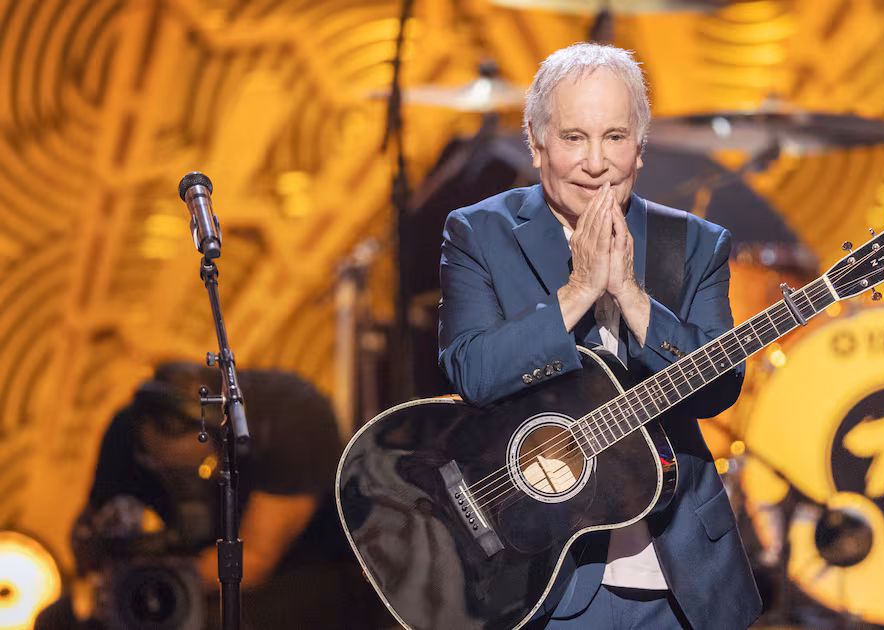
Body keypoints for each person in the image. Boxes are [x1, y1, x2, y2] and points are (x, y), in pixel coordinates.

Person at [438, 43, 762, 629]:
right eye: (573, 137)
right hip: (544, 572)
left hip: (676, 572)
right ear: (536, 142)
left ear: (640, 146)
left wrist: (632, 296)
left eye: (614, 137)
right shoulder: (479, 233)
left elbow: (720, 387)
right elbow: (475, 373)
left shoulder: (695, 242)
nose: (595, 163)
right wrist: (580, 290)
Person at [35, 362, 390, 630]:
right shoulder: (126, 433)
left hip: (300, 576)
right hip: (188, 576)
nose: (180, 481)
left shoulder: (292, 419)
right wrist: (101, 562)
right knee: (57, 621)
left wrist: (160, 576)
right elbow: (91, 530)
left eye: (195, 468)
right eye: (157, 465)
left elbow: (253, 561)